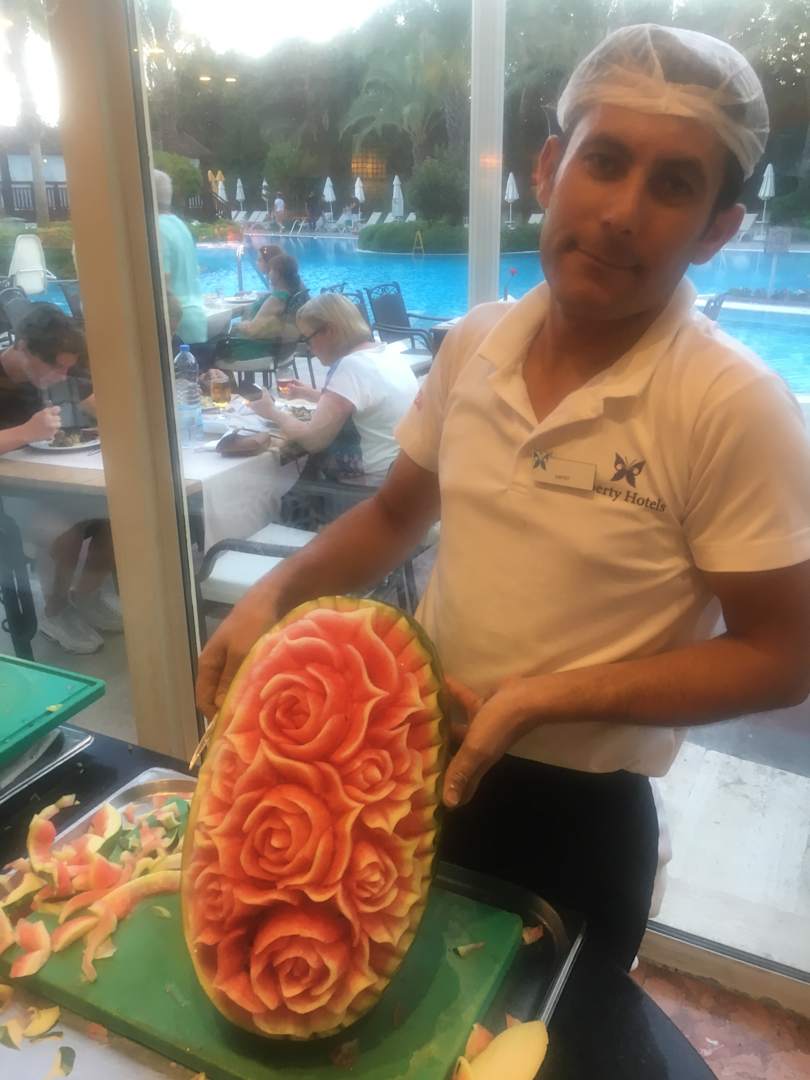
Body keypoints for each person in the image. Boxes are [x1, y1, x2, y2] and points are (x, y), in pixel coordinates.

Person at [196, 25, 810, 970]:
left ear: (717, 229)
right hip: (408, 767)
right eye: (605, 162)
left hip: (580, 821)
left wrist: (546, 700)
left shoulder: (735, 407)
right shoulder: (475, 343)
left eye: (674, 185)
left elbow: (783, 655)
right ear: (550, 169)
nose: (623, 212)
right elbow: (396, 515)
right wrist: (275, 596)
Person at [0, 304, 121, 652]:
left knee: (121, 517)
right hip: (11, 493)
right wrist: (26, 432)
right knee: (62, 532)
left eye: (67, 368)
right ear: (23, 347)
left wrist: (112, 418)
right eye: (56, 367)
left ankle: (87, 596)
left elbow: (106, 406)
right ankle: (54, 611)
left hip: (51, 482)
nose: (62, 375)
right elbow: (28, 434)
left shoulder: (60, 370)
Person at [249, 292, 418, 484]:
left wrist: (271, 412)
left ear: (329, 331)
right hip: (403, 471)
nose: (309, 348)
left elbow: (313, 440)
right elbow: (364, 403)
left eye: (307, 339)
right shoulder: (384, 354)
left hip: (371, 484)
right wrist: (309, 394)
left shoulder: (350, 366)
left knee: (275, 477)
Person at [153, 169, 207, 345]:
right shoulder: (179, 225)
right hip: (196, 317)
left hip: (177, 324)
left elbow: (164, 282)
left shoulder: (156, 228)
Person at [233, 254, 306, 340]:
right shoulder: (289, 294)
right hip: (265, 341)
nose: (268, 273)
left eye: (270, 270)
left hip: (252, 343)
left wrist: (238, 325)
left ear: (277, 274)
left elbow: (252, 330)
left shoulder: (277, 298)